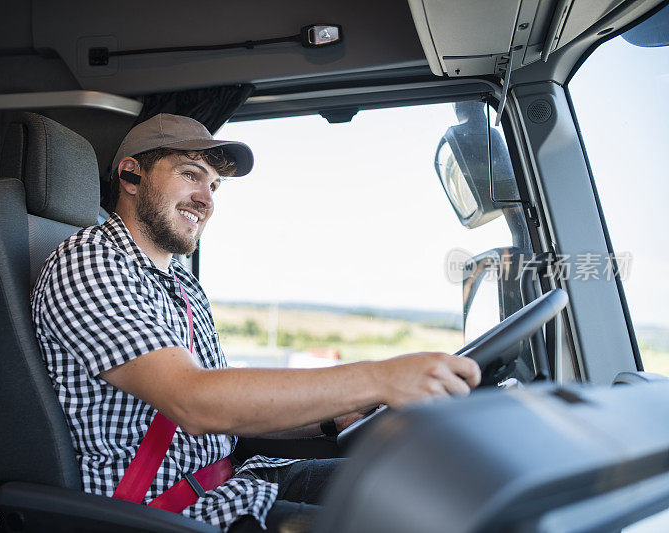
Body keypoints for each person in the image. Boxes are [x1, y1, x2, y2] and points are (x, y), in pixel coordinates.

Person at [31, 113, 481, 532]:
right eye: (190, 174)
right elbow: (194, 402)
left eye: (214, 185)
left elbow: (227, 407)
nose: (206, 200)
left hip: (235, 485)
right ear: (131, 174)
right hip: (165, 514)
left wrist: (332, 419)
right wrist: (379, 378)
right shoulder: (90, 262)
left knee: (439, 486)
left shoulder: (181, 284)